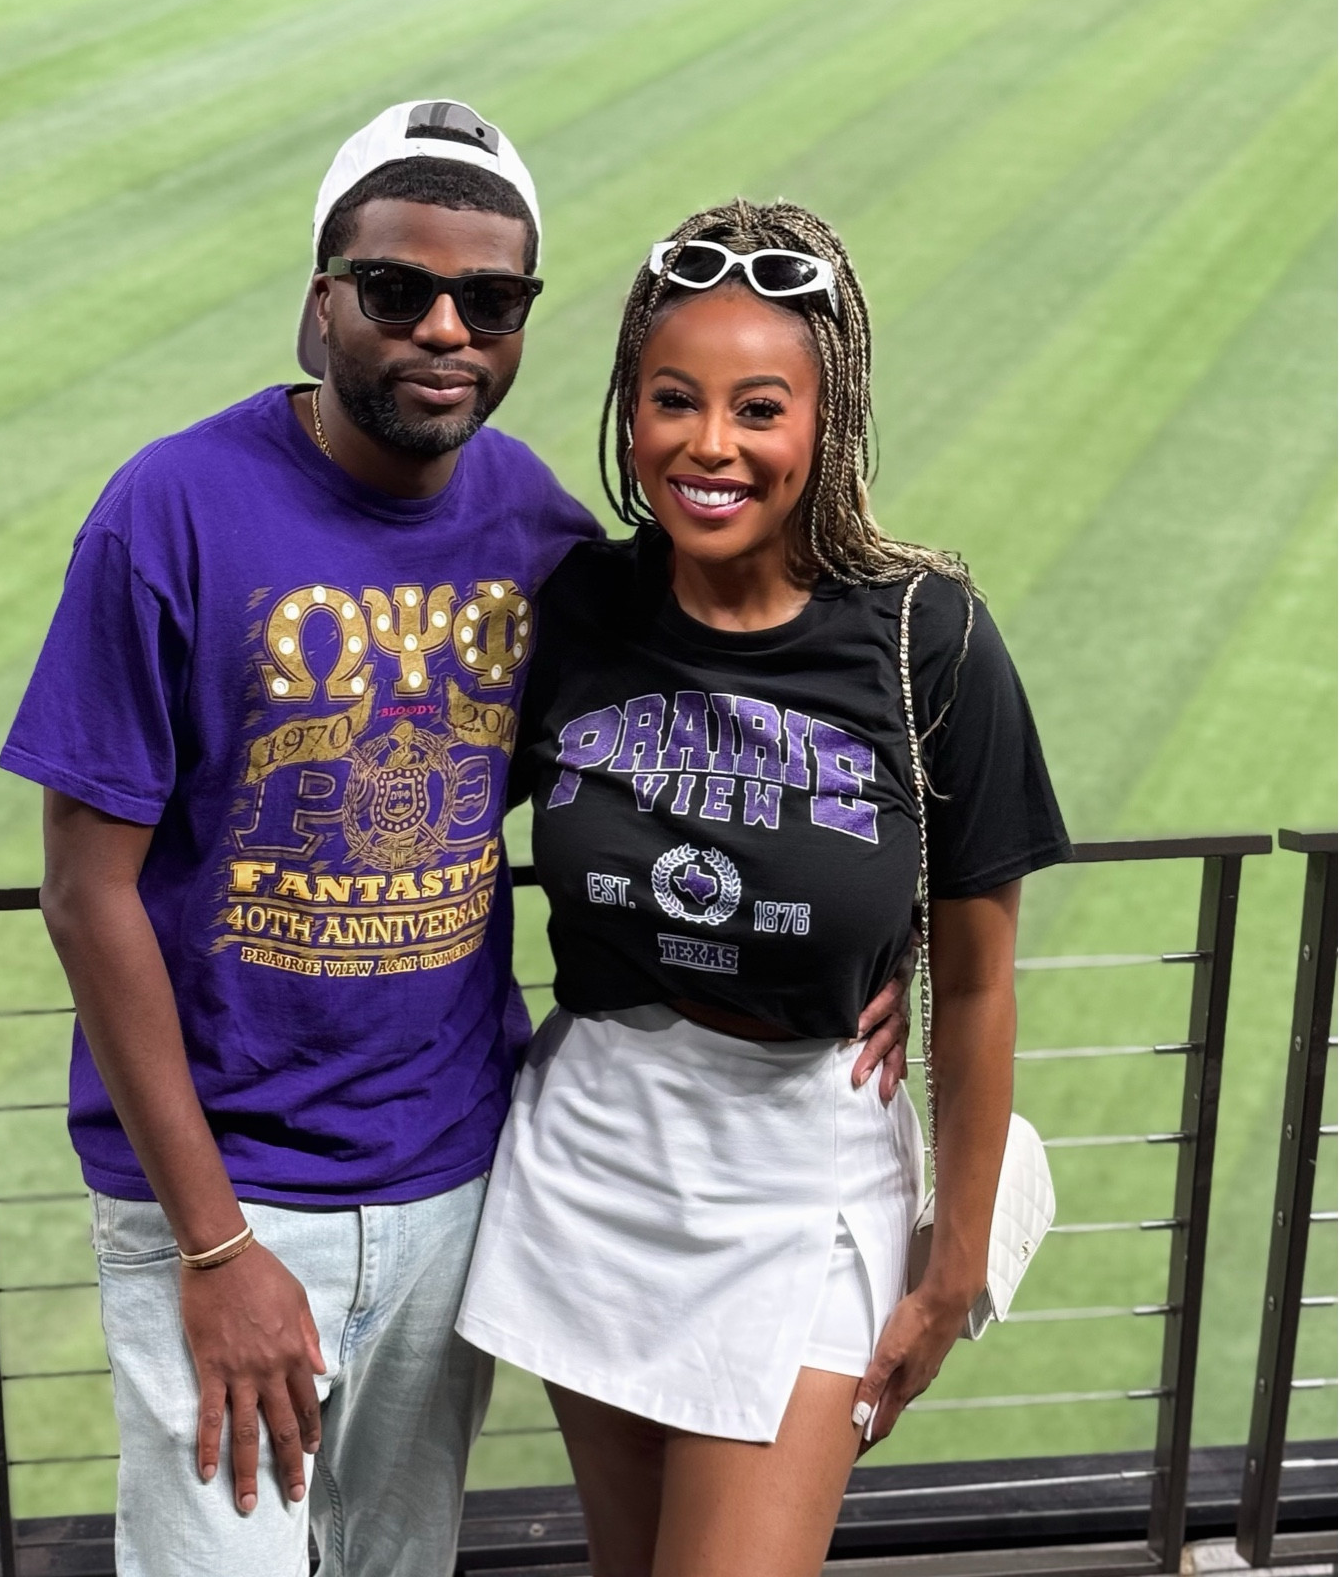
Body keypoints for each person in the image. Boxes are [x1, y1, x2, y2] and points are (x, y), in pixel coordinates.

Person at [0, 117, 911, 1576]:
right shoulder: (168, 512)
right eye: (395, 288)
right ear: (320, 301)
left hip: (454, 1179)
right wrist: (215, 1249)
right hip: (226, 1199)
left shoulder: (537, 527)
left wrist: (867, 947)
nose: (443, 329)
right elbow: (82, 891)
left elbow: (691, 765)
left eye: (489, 299)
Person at [458, 201, 1071, 1577]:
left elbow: (978, 982)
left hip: (805, 1178)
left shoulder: (927, 636)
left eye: (758, 409)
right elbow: (430, 815)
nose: (709, 445)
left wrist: (952, 1270)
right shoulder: (580, 608)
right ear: (629, 413)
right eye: (672, 399)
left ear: (825, 422)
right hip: (597, 1154)